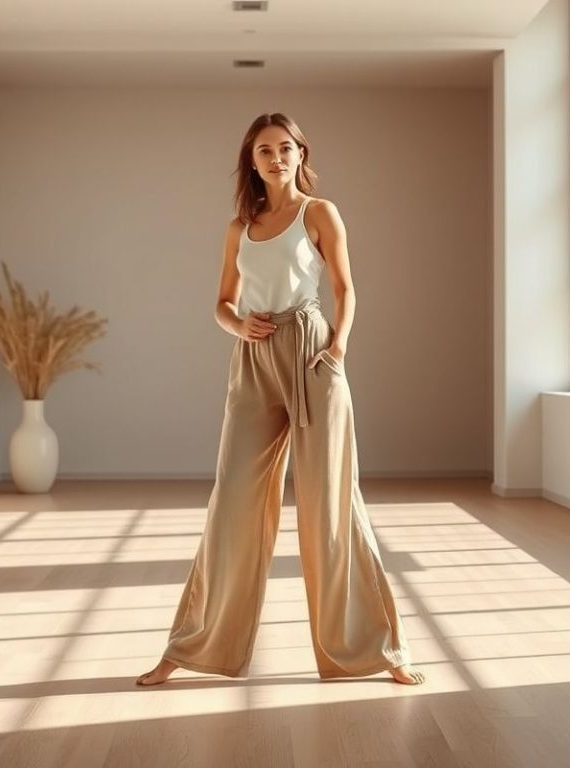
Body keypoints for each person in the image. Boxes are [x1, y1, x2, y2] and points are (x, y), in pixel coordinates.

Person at [136, 112, 425, 686]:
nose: (276, 157)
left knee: (330, 505)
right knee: (233, 504)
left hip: (312, 352)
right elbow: (222, 302)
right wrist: (237, 326)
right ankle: (192, 648)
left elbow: (346, 289)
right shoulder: (238, 227)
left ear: (300, 153)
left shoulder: (320, 213)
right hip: (254, 360)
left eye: (286, 148)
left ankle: (378, 651)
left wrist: (337, 349)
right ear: (252, 160)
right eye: (265, 149)